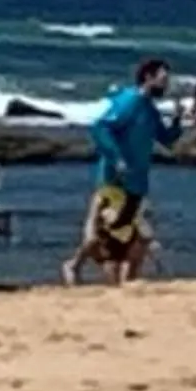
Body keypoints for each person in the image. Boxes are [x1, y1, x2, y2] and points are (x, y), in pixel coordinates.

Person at [64, 57, 181, 288]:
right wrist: (116, 158)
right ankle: (85, 270)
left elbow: (166, 139)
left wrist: (177, 120)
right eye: (163, 79)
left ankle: (120, 280)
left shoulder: (149, 109)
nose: (166, 85)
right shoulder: (130, 101)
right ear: (148, 77)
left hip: (137, 182)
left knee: (135, 238)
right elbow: (100, 127)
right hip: (116, 181)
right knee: (114, 236)